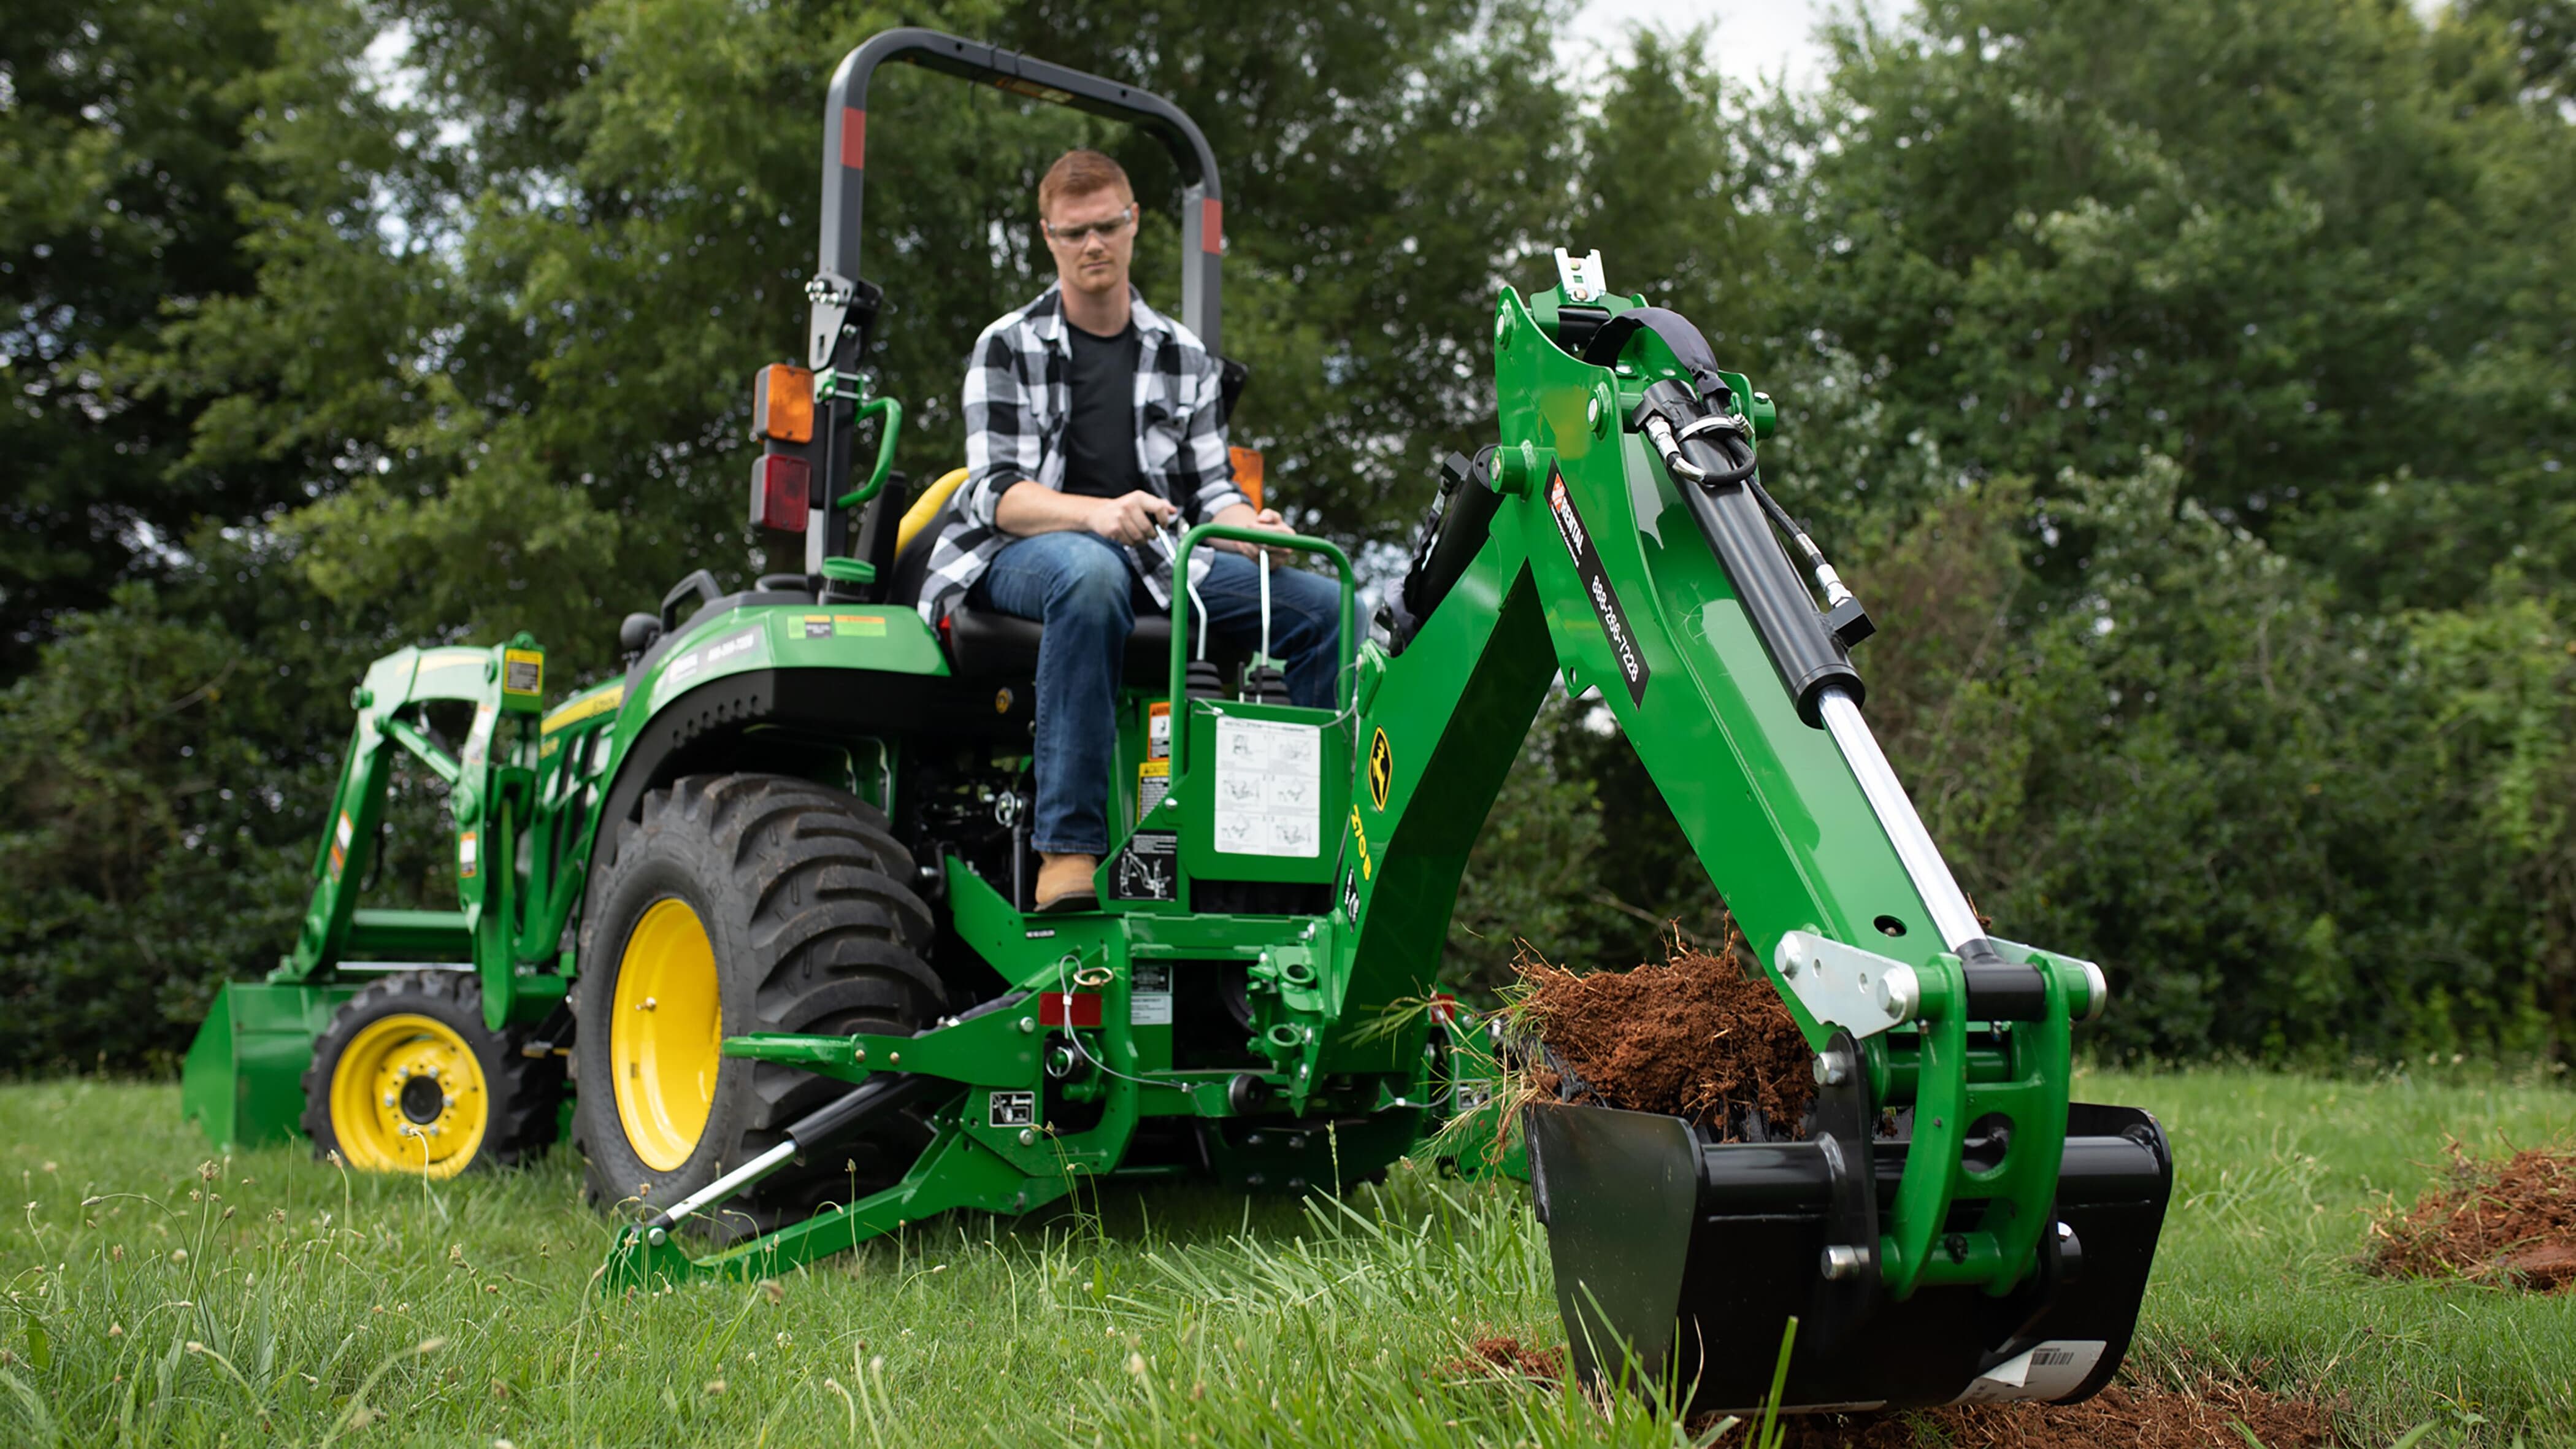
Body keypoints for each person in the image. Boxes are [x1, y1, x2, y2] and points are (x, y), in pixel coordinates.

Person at [914, 149, 1343, 912]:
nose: (1093, 246)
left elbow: (1213, 490)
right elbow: (993, 494)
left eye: (1107, 226)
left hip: (1155, 559)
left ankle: (1295, 852)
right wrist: (1093, 513)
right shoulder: (1005, 346)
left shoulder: (1183, 355)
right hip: (1020, 556)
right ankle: (1067, 854)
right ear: (1049, 237)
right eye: (1074, 232)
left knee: (1322, 603)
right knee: (1091, 572)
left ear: (1133, 221)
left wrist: (1252, 528)